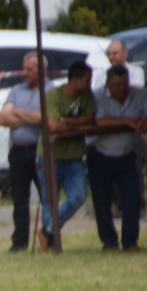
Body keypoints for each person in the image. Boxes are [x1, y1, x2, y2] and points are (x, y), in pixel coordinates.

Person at [88, 66, 147, 252]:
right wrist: (129, 121)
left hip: (129, 155)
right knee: (102, 201)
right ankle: (109, 242)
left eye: (124, 84)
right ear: (108, 84)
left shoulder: (139, 95)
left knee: (133, 199)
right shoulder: (97, 97)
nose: (121, 88)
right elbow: (100, 120)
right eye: (117, 85)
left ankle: (130, 241)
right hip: (100, 154)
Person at [36, 60, 95, 252]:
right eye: (87, 79)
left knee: (78, 196)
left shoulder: (87, 97)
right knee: (49, 200)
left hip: (74, 157)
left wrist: (65, 121)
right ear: (75, 79)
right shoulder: (52, 95)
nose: (90, 83)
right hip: (48, 156)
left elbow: (91, 119)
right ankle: (51, 246)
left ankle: (48, 231)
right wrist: (77, 122)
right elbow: (52, 126)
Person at [0, 51, 51, 252]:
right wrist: (32, 117)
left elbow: (45, 118)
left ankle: (48, 239)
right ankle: (19, 242)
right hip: (18, 154)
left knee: (47, 197)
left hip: (40, 153)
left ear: (42, 70)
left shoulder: (51, 91)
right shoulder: (16, 90)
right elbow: (3, 118)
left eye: (29, 69)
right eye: (24, 68)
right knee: (19, 200)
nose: (25, 72)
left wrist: (18, 112)